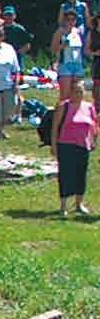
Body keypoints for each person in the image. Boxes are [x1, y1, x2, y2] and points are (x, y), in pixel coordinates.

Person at [52, 75, 94, 218]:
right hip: (66, 145)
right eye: (75, 91)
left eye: (81, 91)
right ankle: (63, 205)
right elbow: (55, 128)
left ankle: (79, 204)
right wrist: (54, 146)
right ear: (70, 92)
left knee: (81, 174)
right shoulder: (63, 107)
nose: (78, 94)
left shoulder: (89, 107)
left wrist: (93, 141)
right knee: (65, 174)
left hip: (83, 145)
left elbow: (93, 126)